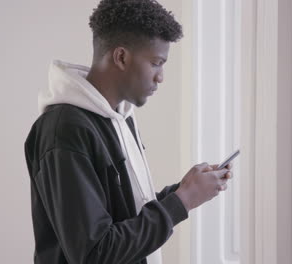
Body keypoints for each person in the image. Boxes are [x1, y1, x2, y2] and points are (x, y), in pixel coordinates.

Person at [24, 0, 233, 263]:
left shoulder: (119, 118)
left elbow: (123, 214)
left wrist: (183, 190)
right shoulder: (64, 130)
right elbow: (94, 253)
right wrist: (182, 200)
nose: (161, 77)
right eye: (156, 62)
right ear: (121, 57)